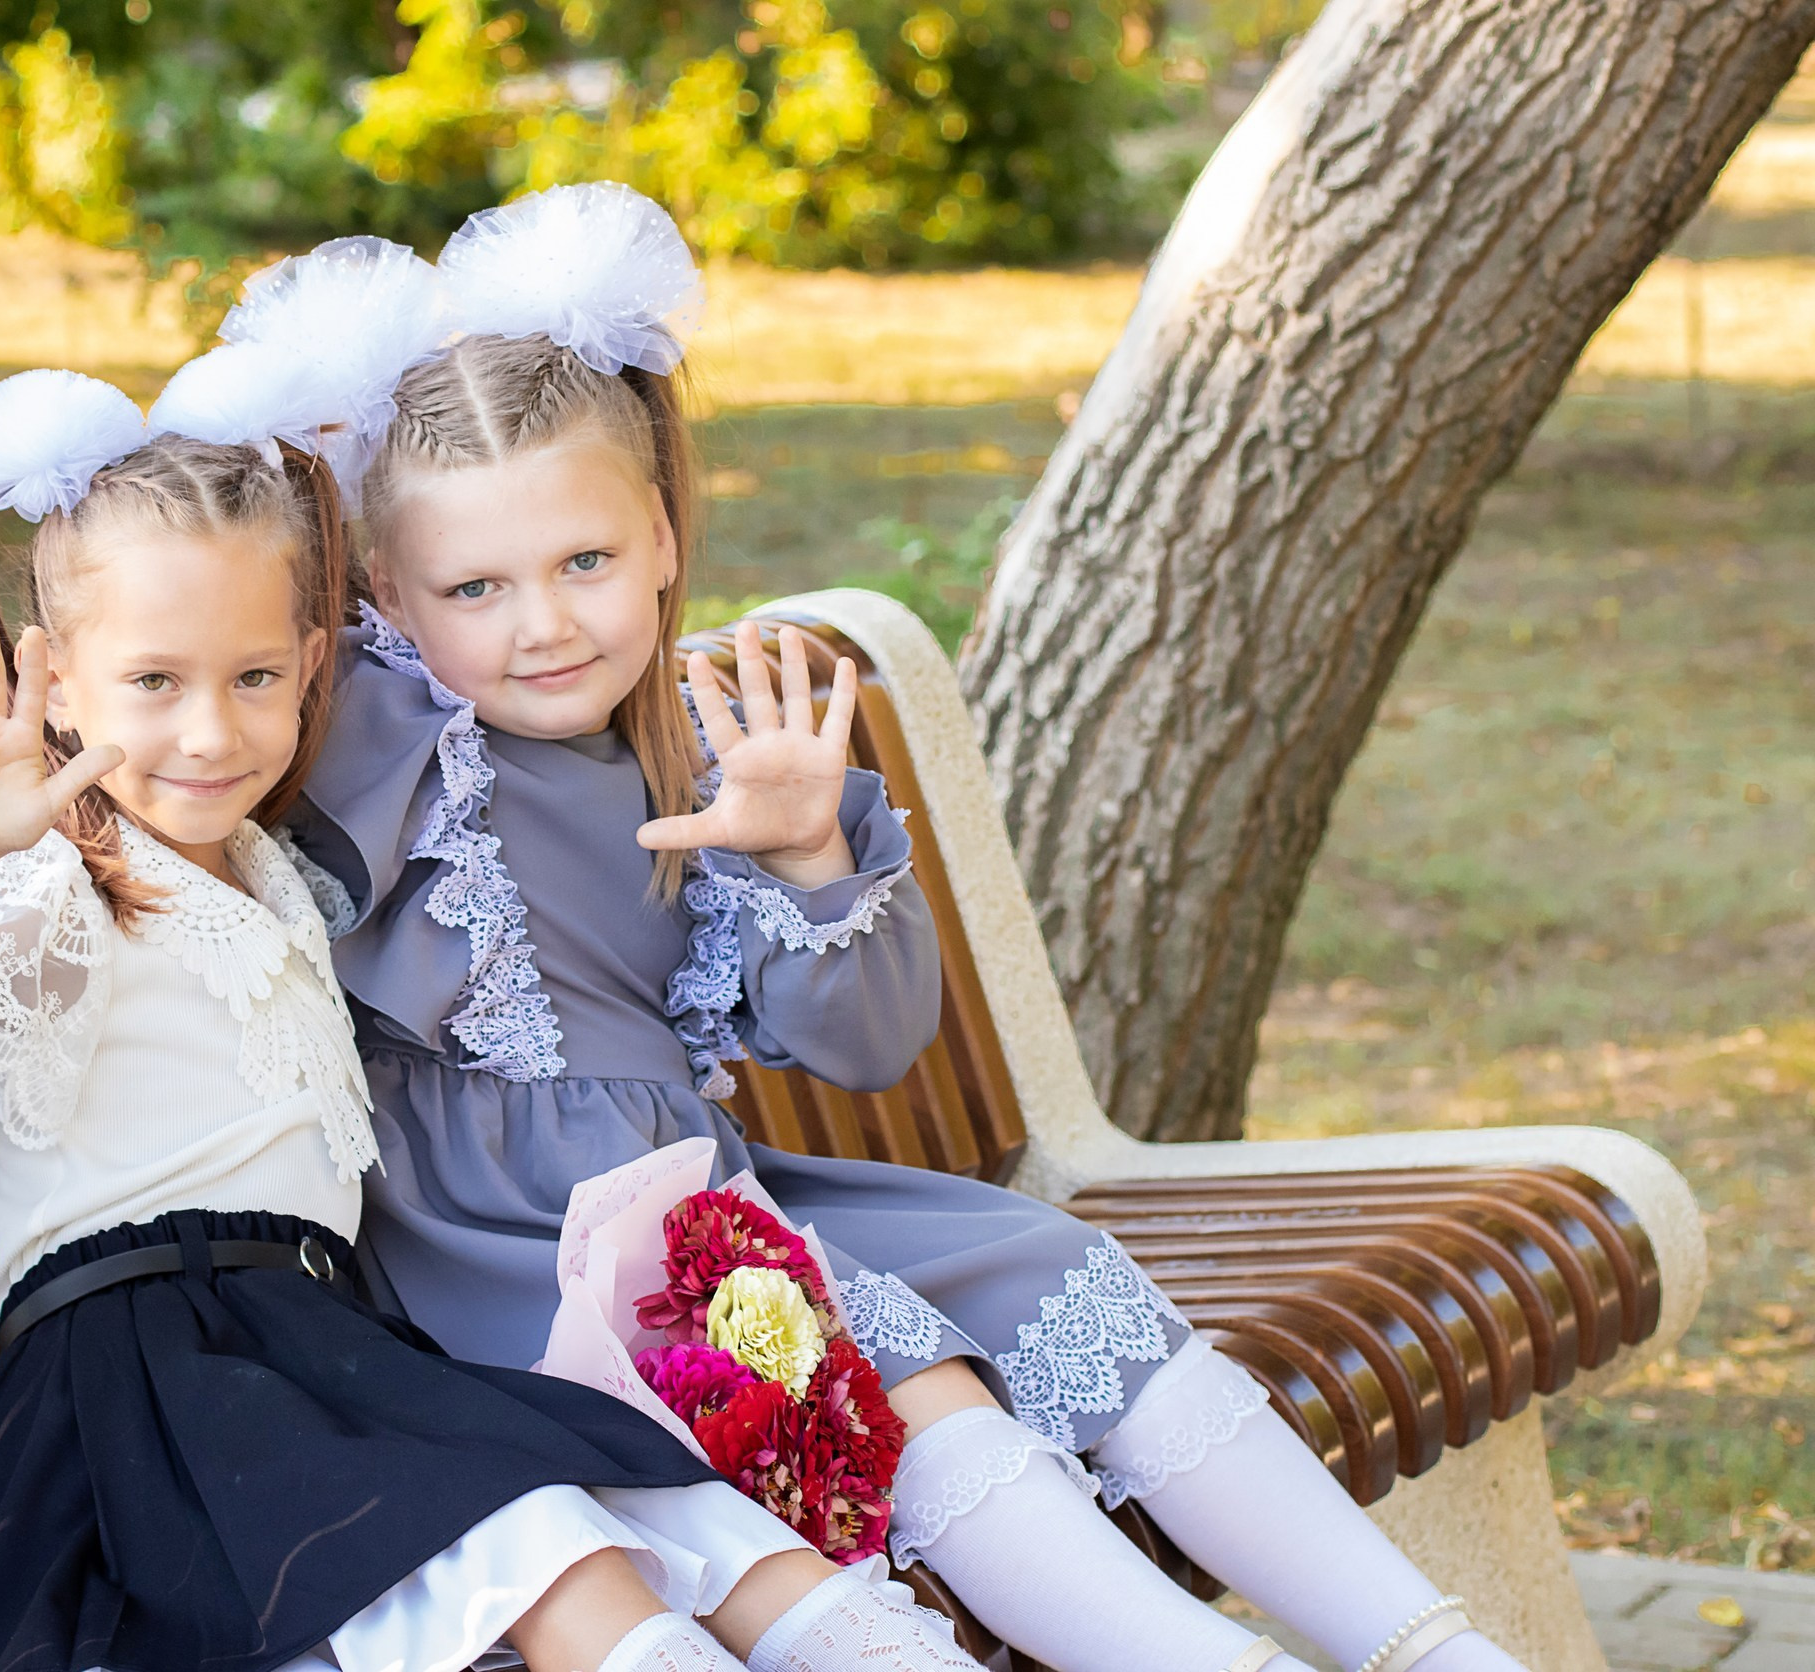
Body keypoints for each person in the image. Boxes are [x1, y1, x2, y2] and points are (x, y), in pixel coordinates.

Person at [269, 184, 1524, 1672]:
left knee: (1042, 1269)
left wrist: (807, 854)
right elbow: (175, 674)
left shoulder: (720, 750)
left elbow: (866, 1051)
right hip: (512, 1256)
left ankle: (1434, 1653)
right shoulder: (378, 743)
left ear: (662, 537)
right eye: (475, 587)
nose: (541, 624)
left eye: (583, 563)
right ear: (389, 598)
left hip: (702, 1195)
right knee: (881, 1354)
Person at [0, 308, 989, 1672]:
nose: (211, 730)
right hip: (155, 1376)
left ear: (313, 669)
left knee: (703, 1536)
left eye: (256, 678)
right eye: (153, 681)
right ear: (55, 679)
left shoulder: (278, 880)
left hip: (327, 1347)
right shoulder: (54, 888)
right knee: (560, 1556)